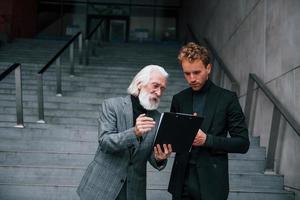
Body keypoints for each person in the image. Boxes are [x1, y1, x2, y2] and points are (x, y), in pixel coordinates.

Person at [168, 42, 250, 200]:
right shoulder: (179, 99)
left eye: (197, 72)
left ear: (208, 68)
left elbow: (242, 143)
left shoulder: (227, 99)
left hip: (212, 184)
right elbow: (174, 139)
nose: (192, 78)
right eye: (187, 73)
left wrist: (207, 140)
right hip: (182, 182)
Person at [77, 65, 172, 200]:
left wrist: (160, 157)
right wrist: (134, 133)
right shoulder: (112, 106)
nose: (159, 92)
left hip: (134, 191)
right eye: (155, 86)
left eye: (162, 88)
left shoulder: (157, 118)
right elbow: (105, 142)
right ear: (139, 84)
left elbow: (150, 156)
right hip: (102, 187)